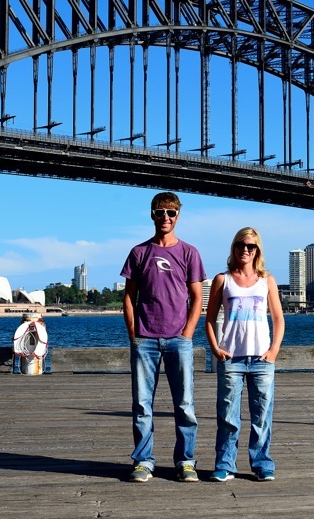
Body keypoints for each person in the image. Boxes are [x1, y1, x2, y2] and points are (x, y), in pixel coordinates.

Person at [120, 191, 206, 483]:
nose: (165, 217)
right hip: (145, 340)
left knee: (185, 405)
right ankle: (143, 461)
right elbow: (129, 297)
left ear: (178, 216)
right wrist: (134, 334)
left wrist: (187, 333)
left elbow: (197, 298)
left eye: (171, 212)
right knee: (142, 405)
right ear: (152, 215)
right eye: (160, 212)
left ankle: (186, 461)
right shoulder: (139, 252)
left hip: (178, 340)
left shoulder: (189, 253)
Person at [204, 227, 285, 482]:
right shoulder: (222, 279)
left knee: (262, 417)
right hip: (231, 359)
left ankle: (261, 463)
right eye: (241, 245)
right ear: (234, 247)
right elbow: (209, 319)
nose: (245, 250)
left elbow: (278, 318)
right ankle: (225, 464)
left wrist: (274, 350)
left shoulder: (267, 280)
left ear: (257, 250)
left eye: (251, 246)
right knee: (228, 416)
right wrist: (215, 348)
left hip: (261, 359)